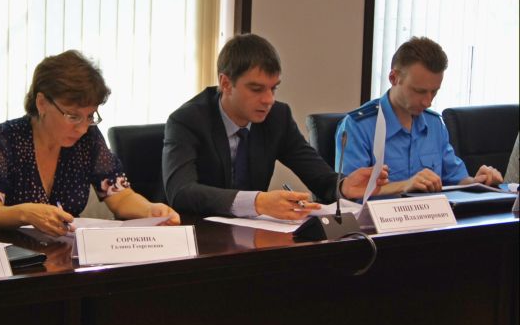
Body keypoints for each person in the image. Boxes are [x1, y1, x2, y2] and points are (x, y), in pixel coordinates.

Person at [162, 33, 388, 219]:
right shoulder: (187, 120)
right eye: (257, 89)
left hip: (252, 236)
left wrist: (344, 185)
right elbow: (181, 192)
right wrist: (258, 202)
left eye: (273, 88)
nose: (269, 100)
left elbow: (318, 175)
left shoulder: (278, 117)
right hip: (197, 235)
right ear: (226, 83)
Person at [0, 50, 180, 236]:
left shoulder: (88, 139)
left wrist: (150, 210)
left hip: (64, 252)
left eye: (90, 116)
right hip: (14, 255)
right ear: (42, 103)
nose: (82, 128)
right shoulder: (4, 138)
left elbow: (121, 197)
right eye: (73, 116)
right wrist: (25, 214)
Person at [336, 36, 503, 194]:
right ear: (394, 78)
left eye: (434, 92)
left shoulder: (434, 124)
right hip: (379, 215)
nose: (427, 102)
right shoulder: (357, 126)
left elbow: (456, 179)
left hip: (434, 214)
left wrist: (478, 182)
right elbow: (351, 193)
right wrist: (405, 185)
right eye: (419, 91)